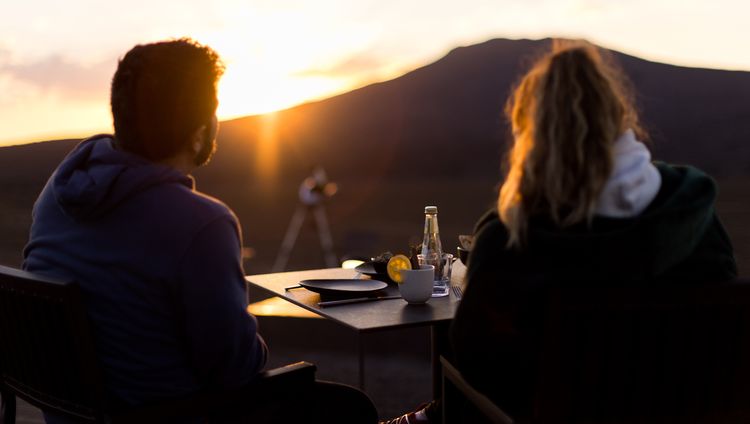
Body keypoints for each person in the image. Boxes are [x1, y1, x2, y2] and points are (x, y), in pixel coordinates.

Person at [24, 38, 377, 423]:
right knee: (350, 409)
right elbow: (237, 368)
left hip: (72, 414)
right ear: (198, 131)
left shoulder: (56, 194)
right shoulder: (201, 223)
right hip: (171, 414)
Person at [449, 40, 737, 421]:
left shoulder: (510, 242)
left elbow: (479, 361)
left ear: (532, 137)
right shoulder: (691, 214)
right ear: (618, 117)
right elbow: (723, 336)